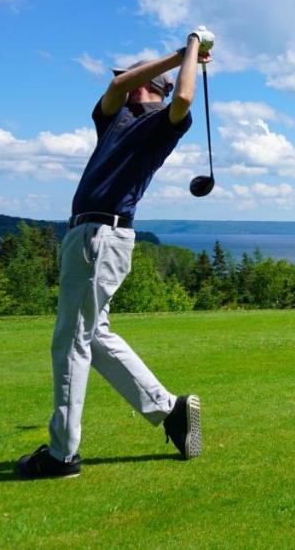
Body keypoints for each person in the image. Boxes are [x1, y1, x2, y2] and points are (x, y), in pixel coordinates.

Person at [17, 27, 216, 480]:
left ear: (148, 89)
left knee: (70, 341)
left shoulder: (163, 123)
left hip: (99, 238)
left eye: (132, 78)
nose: (123, 82)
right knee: (96, 336)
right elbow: (114, 87)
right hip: (87, 236)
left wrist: (191, 49)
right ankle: (172, 412)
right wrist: (178, 53)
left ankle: (62, 454)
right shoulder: (113, 118)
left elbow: (182, 98)